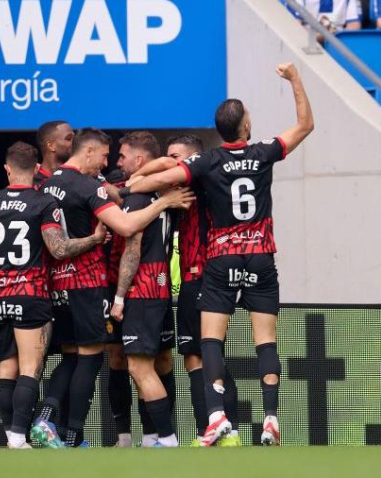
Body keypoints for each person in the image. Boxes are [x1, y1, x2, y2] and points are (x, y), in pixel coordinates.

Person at [122, 62, 314, 446]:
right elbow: (305, 125)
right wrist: (295, 79)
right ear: (246, 125)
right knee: (266, 341)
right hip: (261, 255)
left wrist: (141, 179)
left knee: (210, 341)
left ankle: (216, 417)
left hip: (221, 258)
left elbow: (147, 182)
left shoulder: (206, 161)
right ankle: (271, 419)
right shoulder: (263, 152)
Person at [31, 128, 192, 448]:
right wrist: (164, 202)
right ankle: (77, 437)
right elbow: (127, 226)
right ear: (88, 152)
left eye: (116, 156)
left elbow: (56, 245)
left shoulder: (46, 186)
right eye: (105, 156)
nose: (108, 163)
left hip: (56, 284)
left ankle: (45, 420)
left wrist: (138, 183)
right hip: (91, 284)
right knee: (93, 359)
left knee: (71, 358)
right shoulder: (89, 187)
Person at [0, 141, 106, 449]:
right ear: (37, 169)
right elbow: (59, 249)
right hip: (30, 293)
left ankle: (12, 434)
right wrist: (94, 239)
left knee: (6, 369)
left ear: (7, 169)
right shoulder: (43, 202)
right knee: (29, 368)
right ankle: (18, 436)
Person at [127, 133, 244, 446]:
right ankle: (230, 432)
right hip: (216, 276)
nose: (169, 163)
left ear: (193, 159)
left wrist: (154, 168)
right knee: (213, 355)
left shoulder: (193, 180)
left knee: (195, 357)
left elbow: (134, 183)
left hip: (200, 277)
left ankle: (208, 430)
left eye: (175, 157)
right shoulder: (208, 182)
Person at [109, 131, 179, 448]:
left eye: (122, 156)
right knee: (160, 363)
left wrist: (119, 297)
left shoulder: (137, 199)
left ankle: (167, 438)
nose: (118, 161)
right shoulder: (160, 193)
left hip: (142, 290)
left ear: (139, 159)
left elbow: (132, 249)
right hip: (160, 287)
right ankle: (152, 437)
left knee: (139, 367)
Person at [34, 120, 74, 187]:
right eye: (69, 139)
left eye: (75, 138)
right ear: (51, 146)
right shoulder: (32, 181)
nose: (75, 142)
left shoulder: (79, 178)